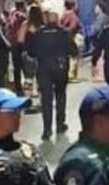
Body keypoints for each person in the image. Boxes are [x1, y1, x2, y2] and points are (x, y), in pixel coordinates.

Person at [26, 9, 78, 141]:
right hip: (60, 67)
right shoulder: (64, 33)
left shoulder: (38, 34)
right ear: (58, 20)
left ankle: (46, 129)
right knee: (60, 96)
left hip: (43, 68)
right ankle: (60, 124)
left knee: (46, 100)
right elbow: (73, 50)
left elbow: (31, 52)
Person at [18, 3, 44, 112]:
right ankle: (40, 102)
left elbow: (20, 39)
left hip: (28, 53)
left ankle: (28, 102)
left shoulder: (26, 25)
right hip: (41, 55)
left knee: (28, 79)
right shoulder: (42, 26)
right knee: (40, 80)